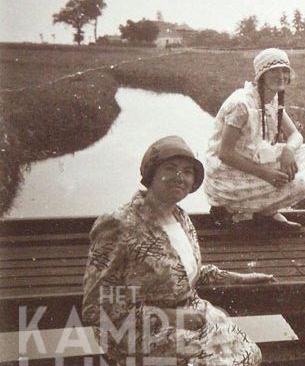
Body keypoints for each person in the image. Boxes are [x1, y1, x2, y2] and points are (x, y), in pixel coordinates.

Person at [82, 136, 274, 365]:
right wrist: (174, 317)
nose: (179, 177)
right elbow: (97, 305)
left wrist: (239, 278)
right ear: (151, 174)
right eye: (170, 168)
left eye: (187, 171)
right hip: (138, 333)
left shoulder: (180, 217)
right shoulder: (119, 223)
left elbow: (183, 273)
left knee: (250, 354)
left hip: (191, 317)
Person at [204, 48, 305, 230]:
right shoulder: (242, 104)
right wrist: (266, 174)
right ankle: (233, 211)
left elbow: (295, 135)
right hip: (228, 177)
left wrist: (288, 150)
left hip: (253, 165)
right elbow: (225, 153)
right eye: (274, 71)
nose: (281, 76)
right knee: (297, 180)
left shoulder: (272, 100)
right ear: (261, 75)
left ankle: (264, 212)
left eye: (285, 70)